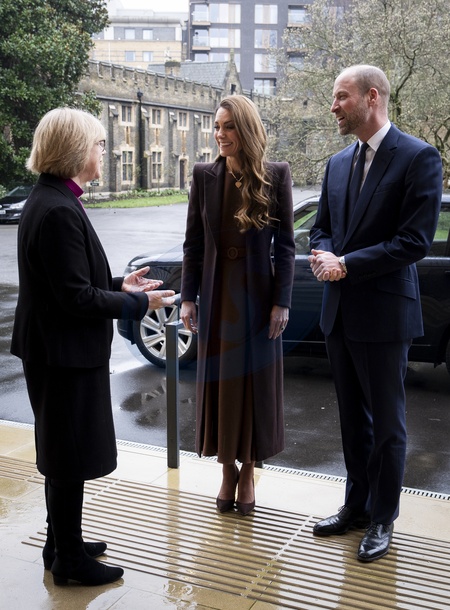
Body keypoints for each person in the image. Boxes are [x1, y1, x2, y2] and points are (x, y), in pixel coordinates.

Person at [10, 107, 175, 586]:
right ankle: (69, 560)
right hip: (62, 353)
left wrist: (120, 283)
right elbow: (75, 297)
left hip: (55, 349)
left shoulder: (53, 198)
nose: (104, 151)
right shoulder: (59, 208)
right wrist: (139, 303)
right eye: (99, 144)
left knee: (64, 452)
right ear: (76, 149)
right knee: (68, 456)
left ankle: (61, 542)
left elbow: (67, 279)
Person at [308, 65, 442, 562]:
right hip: (339, 313)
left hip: (385, 315)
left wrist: (346, 264)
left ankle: (383, 519)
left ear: (371, 97)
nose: (334, 106)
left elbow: (414, 241)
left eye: (341, 97)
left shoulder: (418, 157)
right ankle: (356, 507)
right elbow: (321, 228)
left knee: (388, 426)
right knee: (352, 421)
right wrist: (324, 253)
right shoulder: (337, 163)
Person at [180, 95, 295, 516]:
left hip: (258, 299)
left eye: (228, 126)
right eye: (216, 126)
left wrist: (281, 302)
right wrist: (188, 298)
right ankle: (226, 469)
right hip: (215, 296)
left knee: (254, 389)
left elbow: (286, 247)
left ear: (245, 129)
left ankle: (248, 471)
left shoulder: (276, 175)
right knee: (221, 388)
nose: (220, 134)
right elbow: (193, 244)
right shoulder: (204, 175)